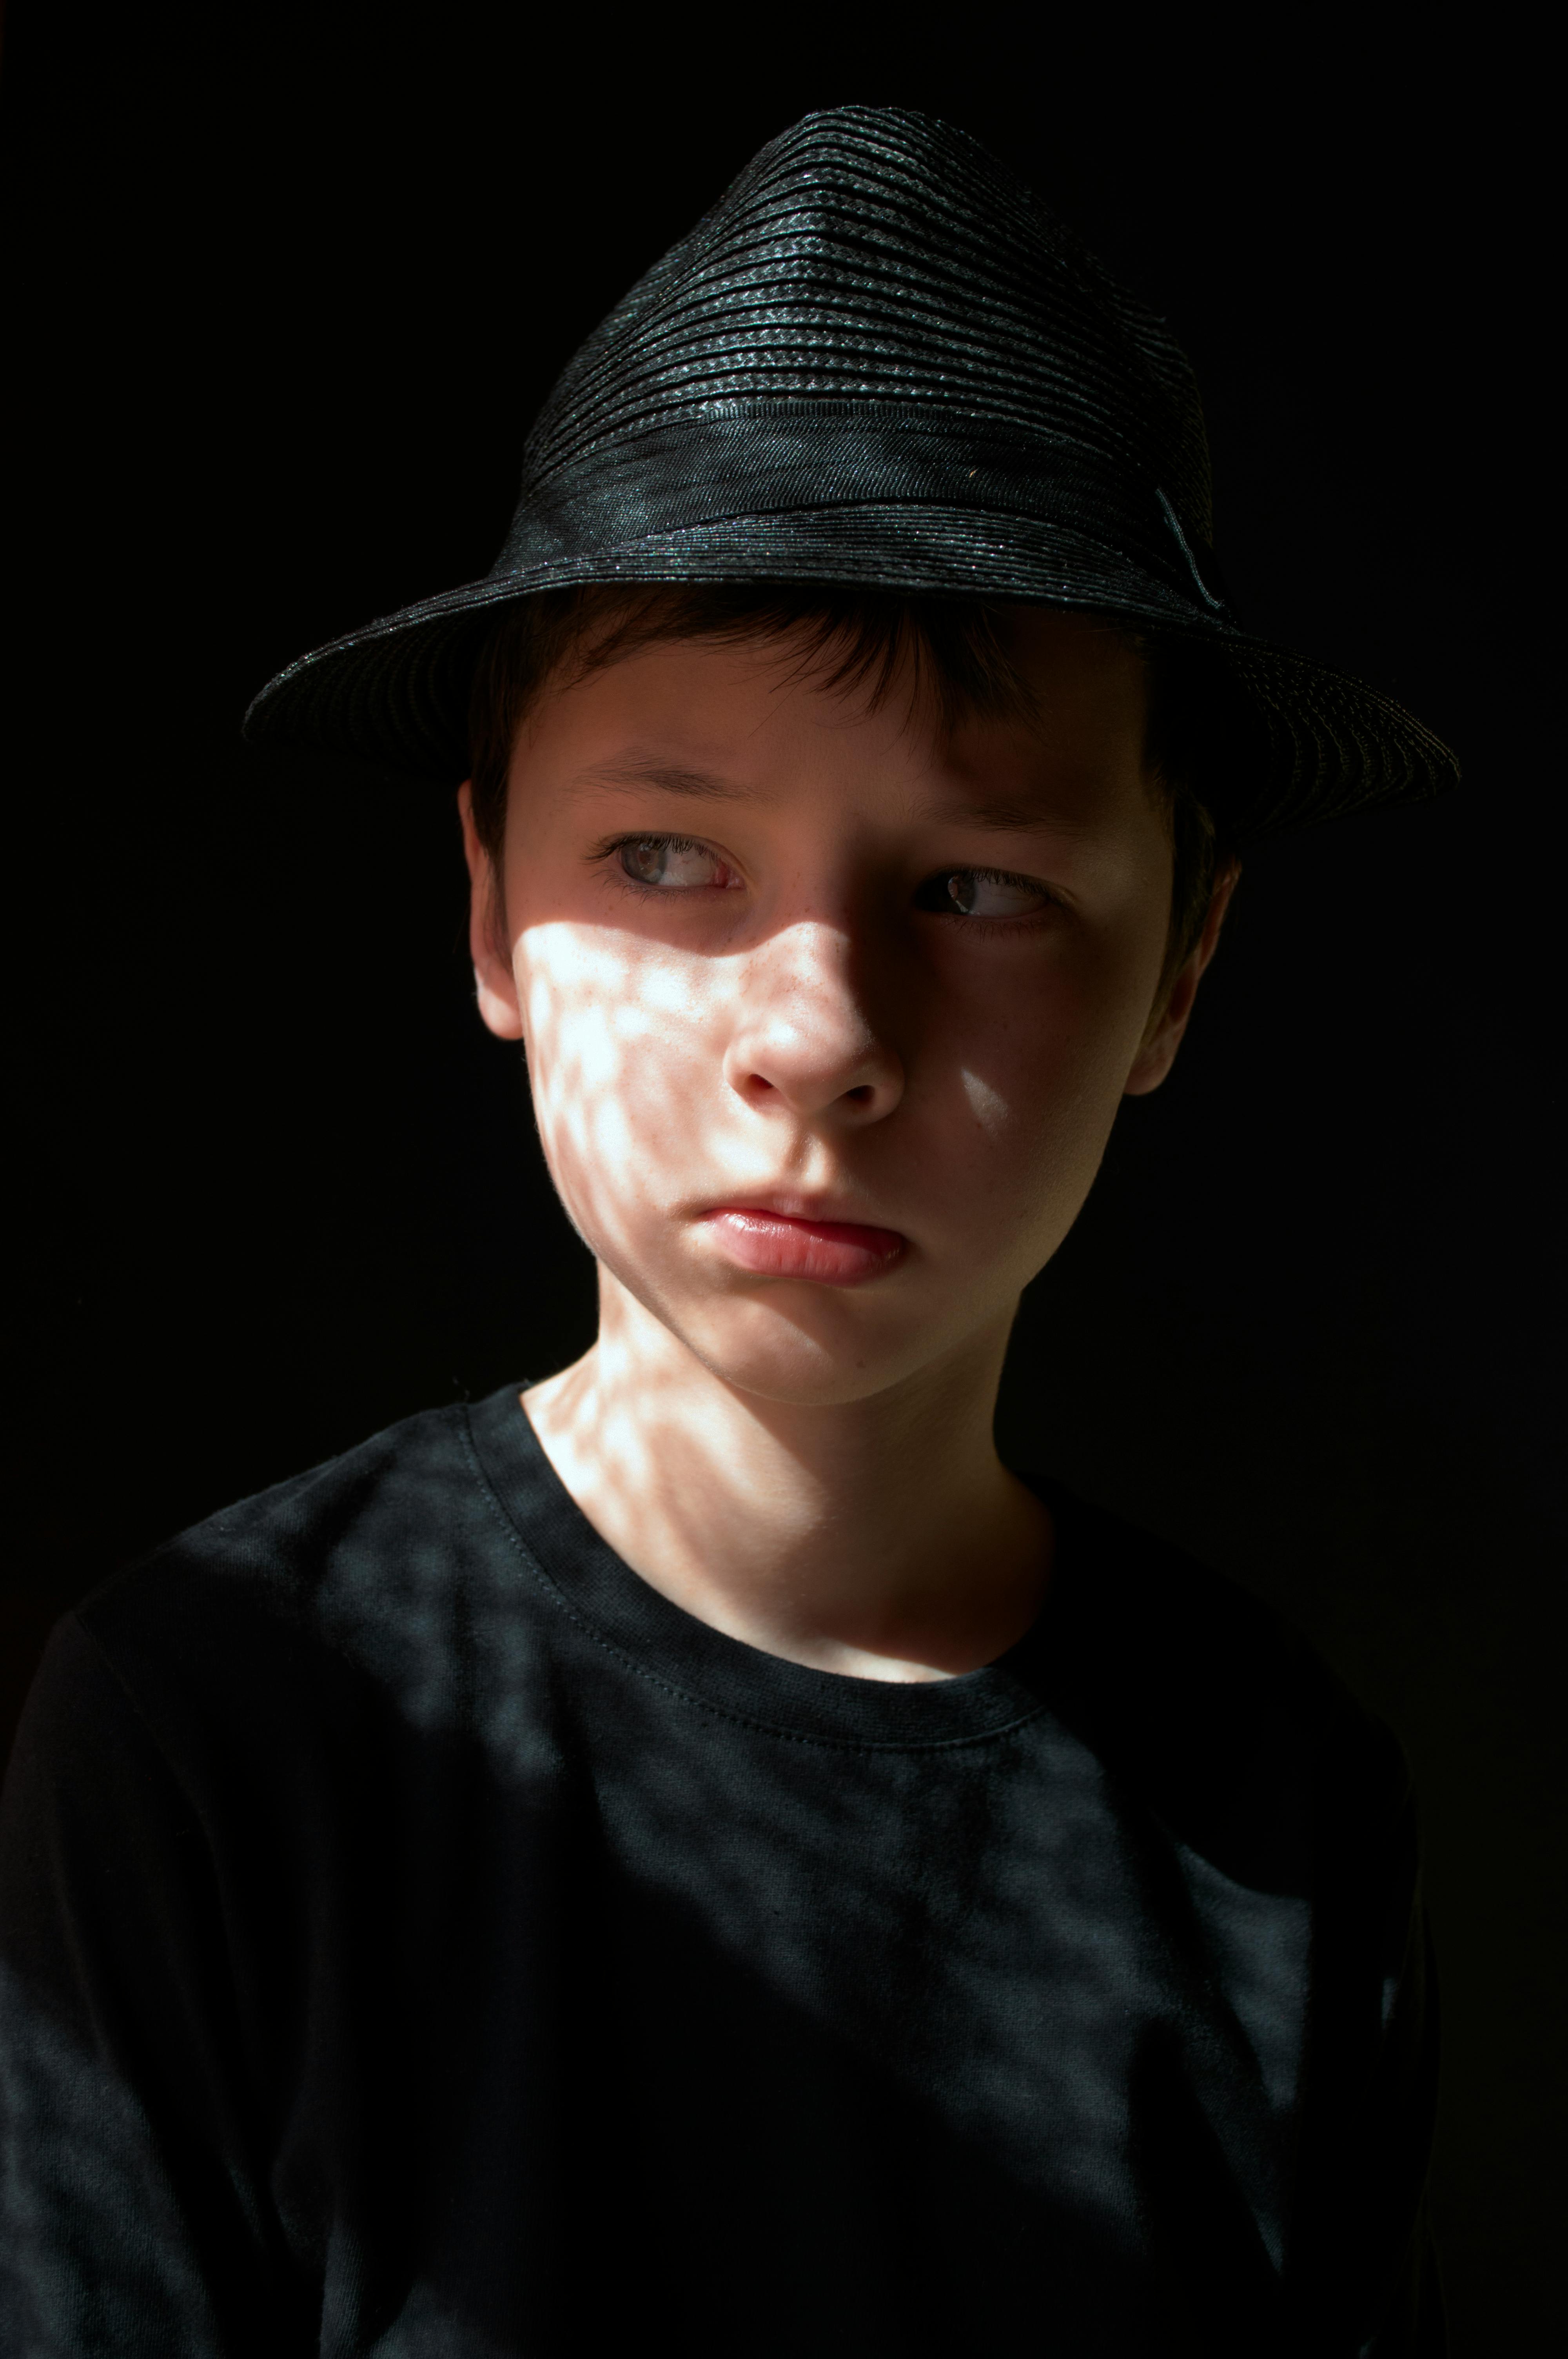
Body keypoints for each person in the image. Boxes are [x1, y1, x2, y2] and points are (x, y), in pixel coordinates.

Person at [0, 108, 1453, 2356]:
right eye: (670, 858)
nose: (819, 1031)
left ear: (1180, 969)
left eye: (977, 890)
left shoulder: (1284, 1811)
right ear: (489, 905)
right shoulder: (215, 1736)